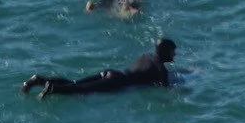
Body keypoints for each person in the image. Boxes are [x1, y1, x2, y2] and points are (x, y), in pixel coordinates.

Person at [24, 37, 175, 95]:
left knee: (76, 83)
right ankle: (54, 88)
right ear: (165, 51)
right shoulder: (160, 69)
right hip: (117, 82)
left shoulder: (147, 55)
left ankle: (40, 80)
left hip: (112, 73)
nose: (174, 55)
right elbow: (165, 90)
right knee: (81, 90)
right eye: (172, 52)